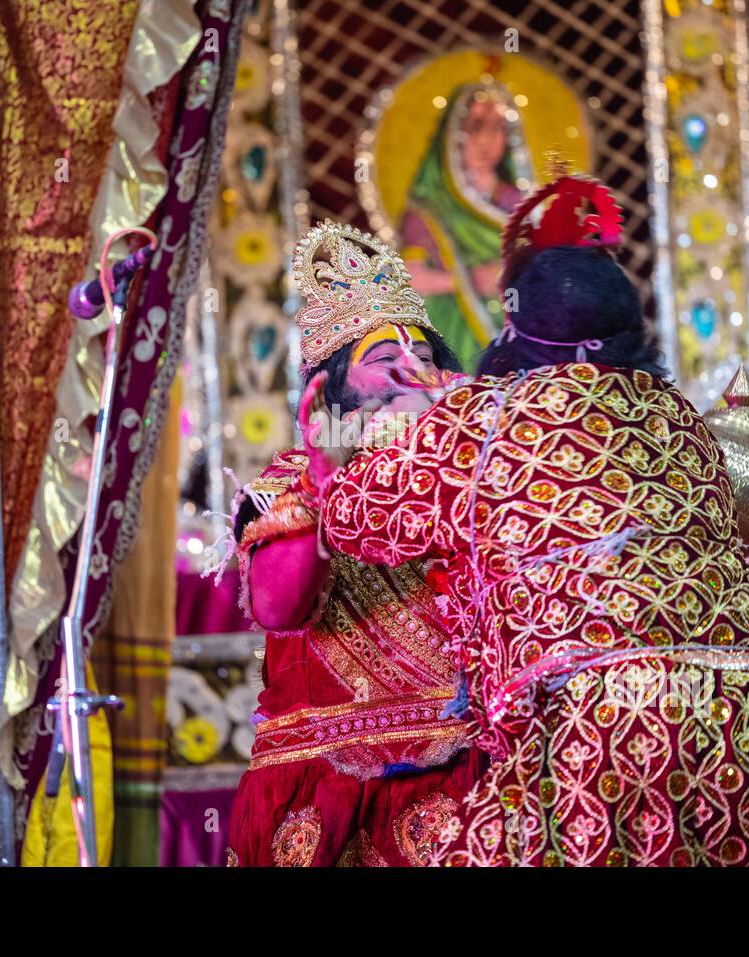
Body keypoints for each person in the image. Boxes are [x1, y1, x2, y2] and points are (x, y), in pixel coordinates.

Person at [299, 176, 749, 866]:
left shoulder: (483, 421)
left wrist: (328, 437)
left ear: (513, 334)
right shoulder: (680, 418)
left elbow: (349, 518)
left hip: (600, 723)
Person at [224, 221, 484, 866]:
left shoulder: (482, 474)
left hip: (471, 774)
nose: (412, 367)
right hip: (330, 788)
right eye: (380, 358)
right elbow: (278, 608)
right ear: (332, 386)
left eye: (425, 355)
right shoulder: (287, 481)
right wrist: (321, 487)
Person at [399, 82, 527, 369]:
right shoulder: (428, 209)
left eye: (497, 128)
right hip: (456, 339)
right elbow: (410, 279)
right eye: (475, 127)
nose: (486, 140)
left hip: (518, 342)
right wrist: (467, 281)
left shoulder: (519, 204)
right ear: (451, 136)